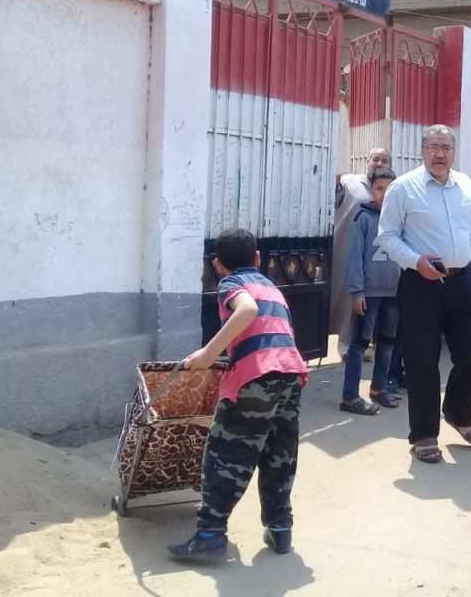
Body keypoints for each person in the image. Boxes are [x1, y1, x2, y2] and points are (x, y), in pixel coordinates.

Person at [168, 227, 309, 560]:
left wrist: (208, 354)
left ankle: (210, 535)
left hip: (254, 377)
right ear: (258, 258)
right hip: (290, 373)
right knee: (279, 453)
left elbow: (247, 311)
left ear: (218, 264)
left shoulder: (232, 283)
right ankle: (280, 528)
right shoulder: (272, 287)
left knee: (226, 453)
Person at [377, 124, 471, 464]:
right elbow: (387, 236)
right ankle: (424, 434)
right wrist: (416, 261)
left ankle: (458, 413)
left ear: (454, 152)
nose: (439, 154)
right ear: (422, 150)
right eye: (433, 147)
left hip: (463, 281)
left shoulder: (466, 185)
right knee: (422, 360)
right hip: (420, 283)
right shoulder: (403, 188)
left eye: (446, 148)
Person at [341, 167, 402, 415]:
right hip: (369, 294)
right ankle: (350, 396)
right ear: (371, 189)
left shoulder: (401, 220)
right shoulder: (363, 218)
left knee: (387, 341)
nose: (384, 194)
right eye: (379, 188)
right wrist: (357, 292)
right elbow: (354, 257)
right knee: (360, 343)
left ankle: (379, 388)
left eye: (390, 189)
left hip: (394, 293)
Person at [331, 147, 392, 359]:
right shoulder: (350, 182)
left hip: (376, 251)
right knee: (347, 296)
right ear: (367, 161)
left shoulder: (392, 187)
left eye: (384, 160)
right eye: (375, 159)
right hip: (346, 246)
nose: (379, 163)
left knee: (371, 298)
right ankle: (344, 343)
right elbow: (332, 200)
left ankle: (363, 342)